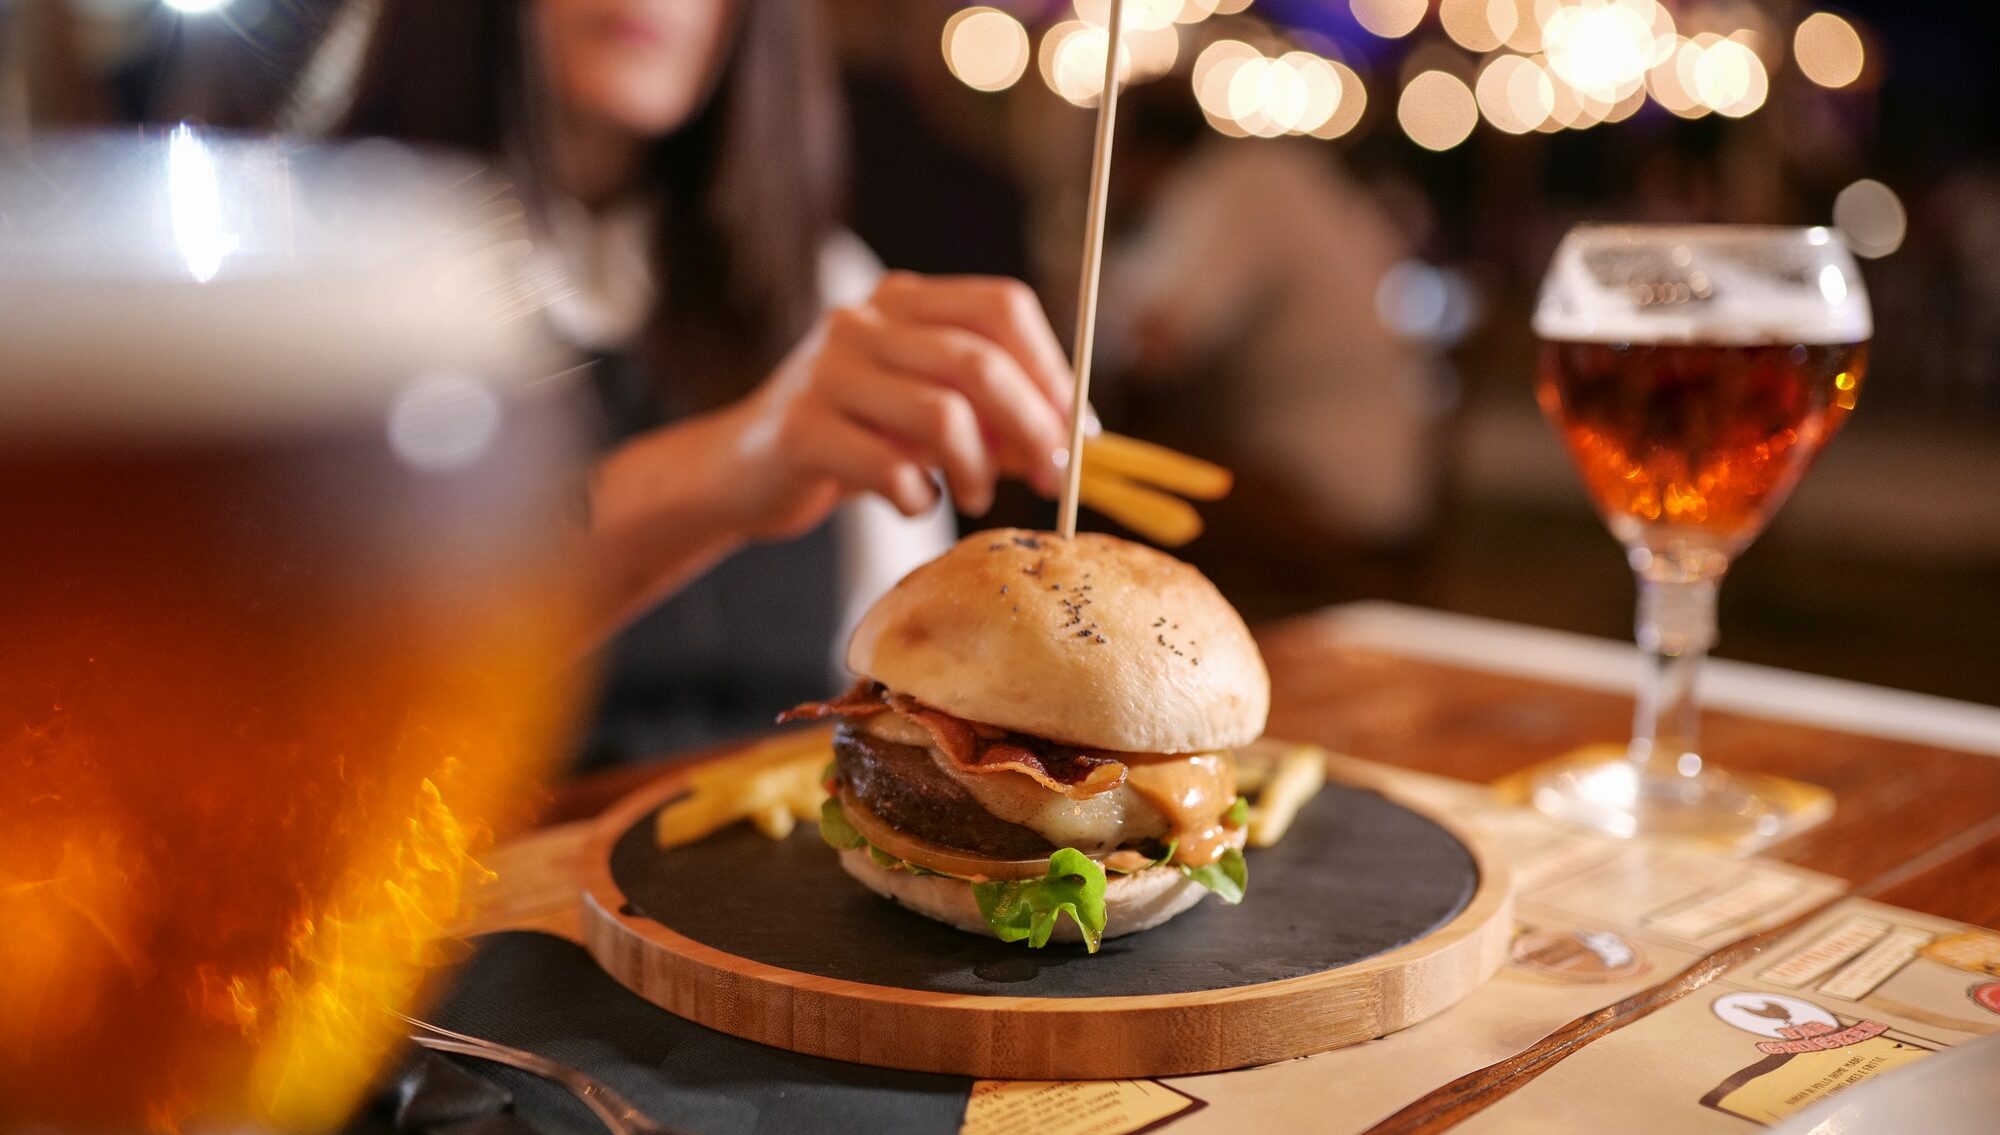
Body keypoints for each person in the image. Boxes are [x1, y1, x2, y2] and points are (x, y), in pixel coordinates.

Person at [247, 0, 1080, 756]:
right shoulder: (314, 275)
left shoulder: (832, 293)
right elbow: (312, 669)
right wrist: (739, 460)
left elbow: (890, 692)